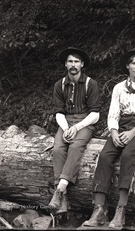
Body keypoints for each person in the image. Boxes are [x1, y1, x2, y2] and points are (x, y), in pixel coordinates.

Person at [82, 48, 135, 229]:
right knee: (105, 156)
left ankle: (121, 210)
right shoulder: (118, 88)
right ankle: (99, 210)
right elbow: (113, 115)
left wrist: (133, 132)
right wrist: (114, 132)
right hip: (121, 127)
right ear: (127, 66)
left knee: (127, 156)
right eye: (133, 63)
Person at [48, 47, 101, 214]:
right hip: (66, 121)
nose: (73, 64)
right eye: (70, 61)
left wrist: (77, 127)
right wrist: (65, 129)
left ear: (82, 64)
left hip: (85, 122)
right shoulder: (59, 85)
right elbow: (58, 112)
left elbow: (95, 114)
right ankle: (62, 199)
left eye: (76, 61)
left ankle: (59, 189)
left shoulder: (90, 84)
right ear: (65, 64)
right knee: (57, 149)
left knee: (76, 146)